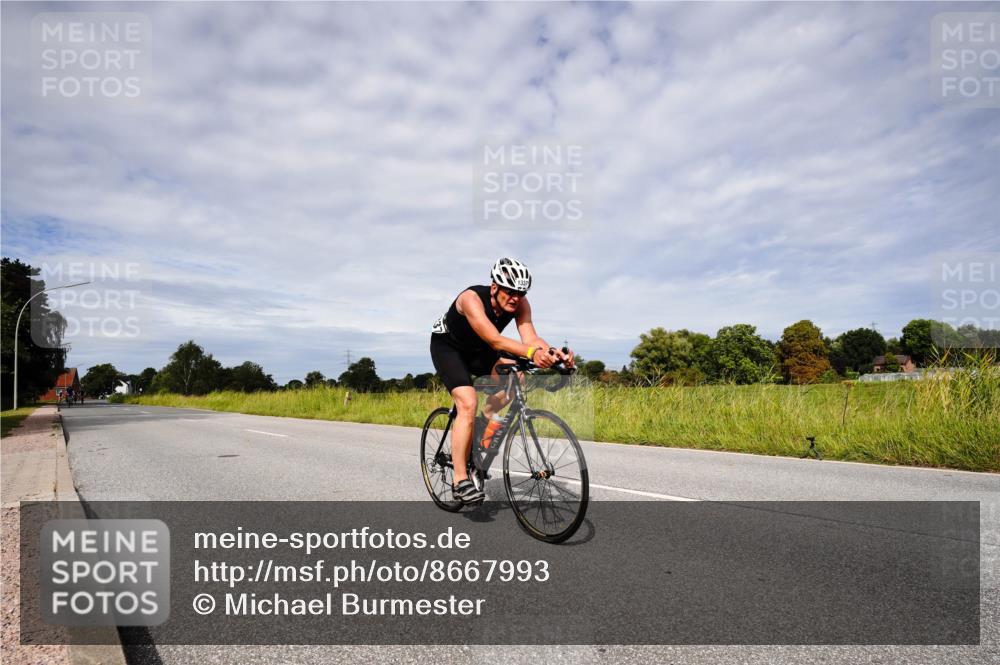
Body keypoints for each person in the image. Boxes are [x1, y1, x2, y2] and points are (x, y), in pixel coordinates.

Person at [430, 257, 574, 505]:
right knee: (467, 402)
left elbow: (530, 338)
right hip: (449, 348)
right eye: (510, 291)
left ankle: (478, 431)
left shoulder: (520, 304)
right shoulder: (471, 299)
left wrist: (553, 353)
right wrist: (532, 354)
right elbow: (496, 340)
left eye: (521, 292)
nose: (515, 297)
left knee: (515, 378)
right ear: (495, 287)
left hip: (479, 350)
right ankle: (460, 480)